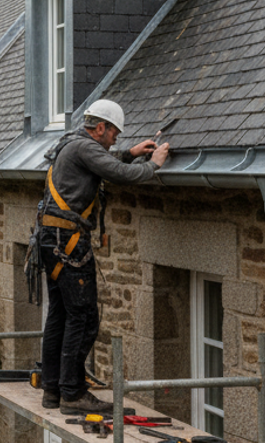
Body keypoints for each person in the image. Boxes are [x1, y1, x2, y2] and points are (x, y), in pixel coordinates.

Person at [38, 99, 169, 414]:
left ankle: (53, 390)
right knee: (83, 318)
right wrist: (154, 164)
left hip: (51, 241)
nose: (115, 140)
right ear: (100, 128)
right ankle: (73, 394)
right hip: (69, 243)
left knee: (60, 315)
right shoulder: (84, 148)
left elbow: (104, 161)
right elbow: (121, 174)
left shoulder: (72, 144)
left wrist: (131, 153)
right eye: (114, 135)